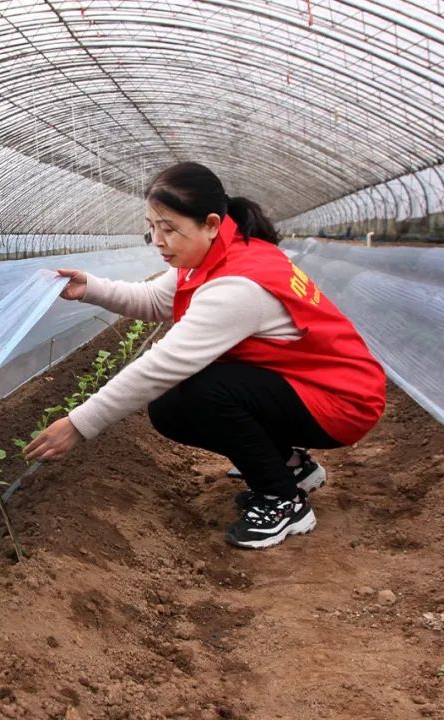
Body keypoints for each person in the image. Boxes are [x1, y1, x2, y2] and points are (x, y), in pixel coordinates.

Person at [24, 161, 386, 549]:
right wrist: (89, 288)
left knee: (201, 393)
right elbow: (154, 299)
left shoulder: (238, 285)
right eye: (152, 227)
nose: (158, 240)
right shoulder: (217, 252)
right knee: (173, 405)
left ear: (211, 223)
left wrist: (79, 423)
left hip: (342, 403)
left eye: (169, 229)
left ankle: (283, 501)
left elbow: (162, 364)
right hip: (311, 385)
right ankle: (291, 466)